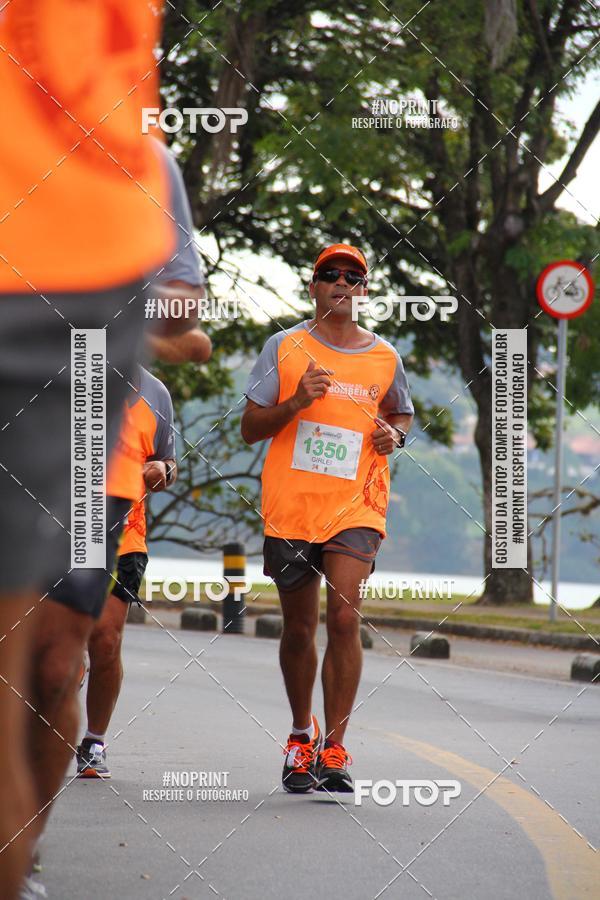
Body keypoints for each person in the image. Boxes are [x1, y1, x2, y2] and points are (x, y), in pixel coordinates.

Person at [241, 244, 414, 793]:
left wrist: (394, 437)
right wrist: (295, 403)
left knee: (343, 617)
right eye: (331, 274)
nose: (343, 282)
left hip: (356, 505)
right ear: (313, 286)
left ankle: (334, 748)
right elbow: (249, 428)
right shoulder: (283, 347)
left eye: (354, 276)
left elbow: (400, 413)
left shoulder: (385, 356)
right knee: (298, 627)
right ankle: (301, 735)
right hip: (292, 508)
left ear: (364, 290)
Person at [76, 367, 176, 779]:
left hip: (125, 539)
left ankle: (94, 740)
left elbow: (168, 462)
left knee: (106, 639)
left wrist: (162, 471)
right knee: (57, 641)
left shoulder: (156, 392)